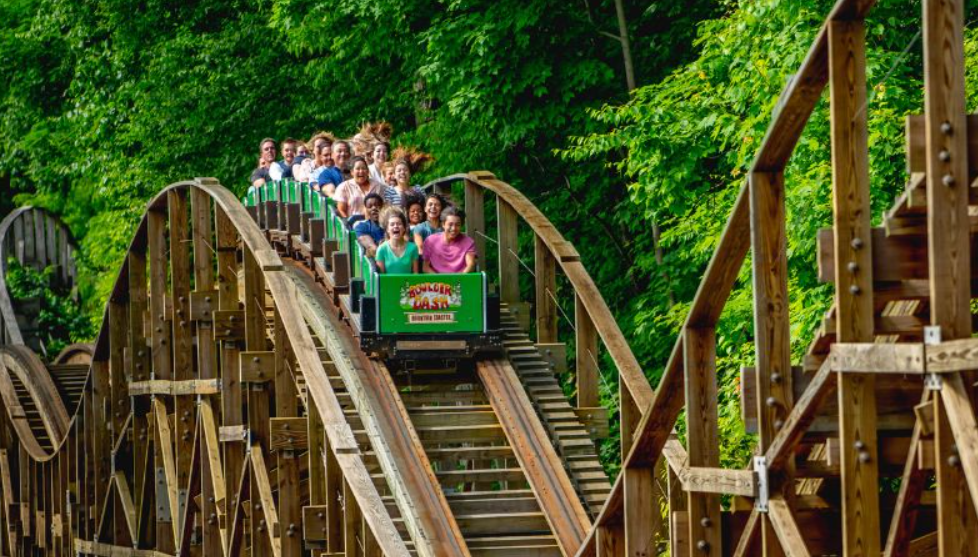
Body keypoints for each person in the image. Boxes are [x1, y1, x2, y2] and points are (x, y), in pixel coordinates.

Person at [423, 207, 477, 274]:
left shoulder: (468, 242)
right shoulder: (430, 241)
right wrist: (440, 280)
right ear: (443, 224)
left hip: (460, 280)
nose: (454, 228)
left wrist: (458, 280)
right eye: (450, 224)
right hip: (437, 281)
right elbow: (425, 267)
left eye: (457, 225)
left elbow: (470, 265)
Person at [375, 208, 419, 274]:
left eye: (399, 224)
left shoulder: (413, 248)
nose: (396, 226)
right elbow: (381, 277)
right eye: (392, 224)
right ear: (387, 229)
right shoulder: (381, 249)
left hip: (408, 284)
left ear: (404, 228)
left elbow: (415, 273)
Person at [353, 193, 386, 257]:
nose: (374, 208)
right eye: (370, 206)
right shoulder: (361, 227)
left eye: (377, 205)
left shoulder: (392, 224)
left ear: (383, 206)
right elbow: (372, 248)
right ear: (366, 209)